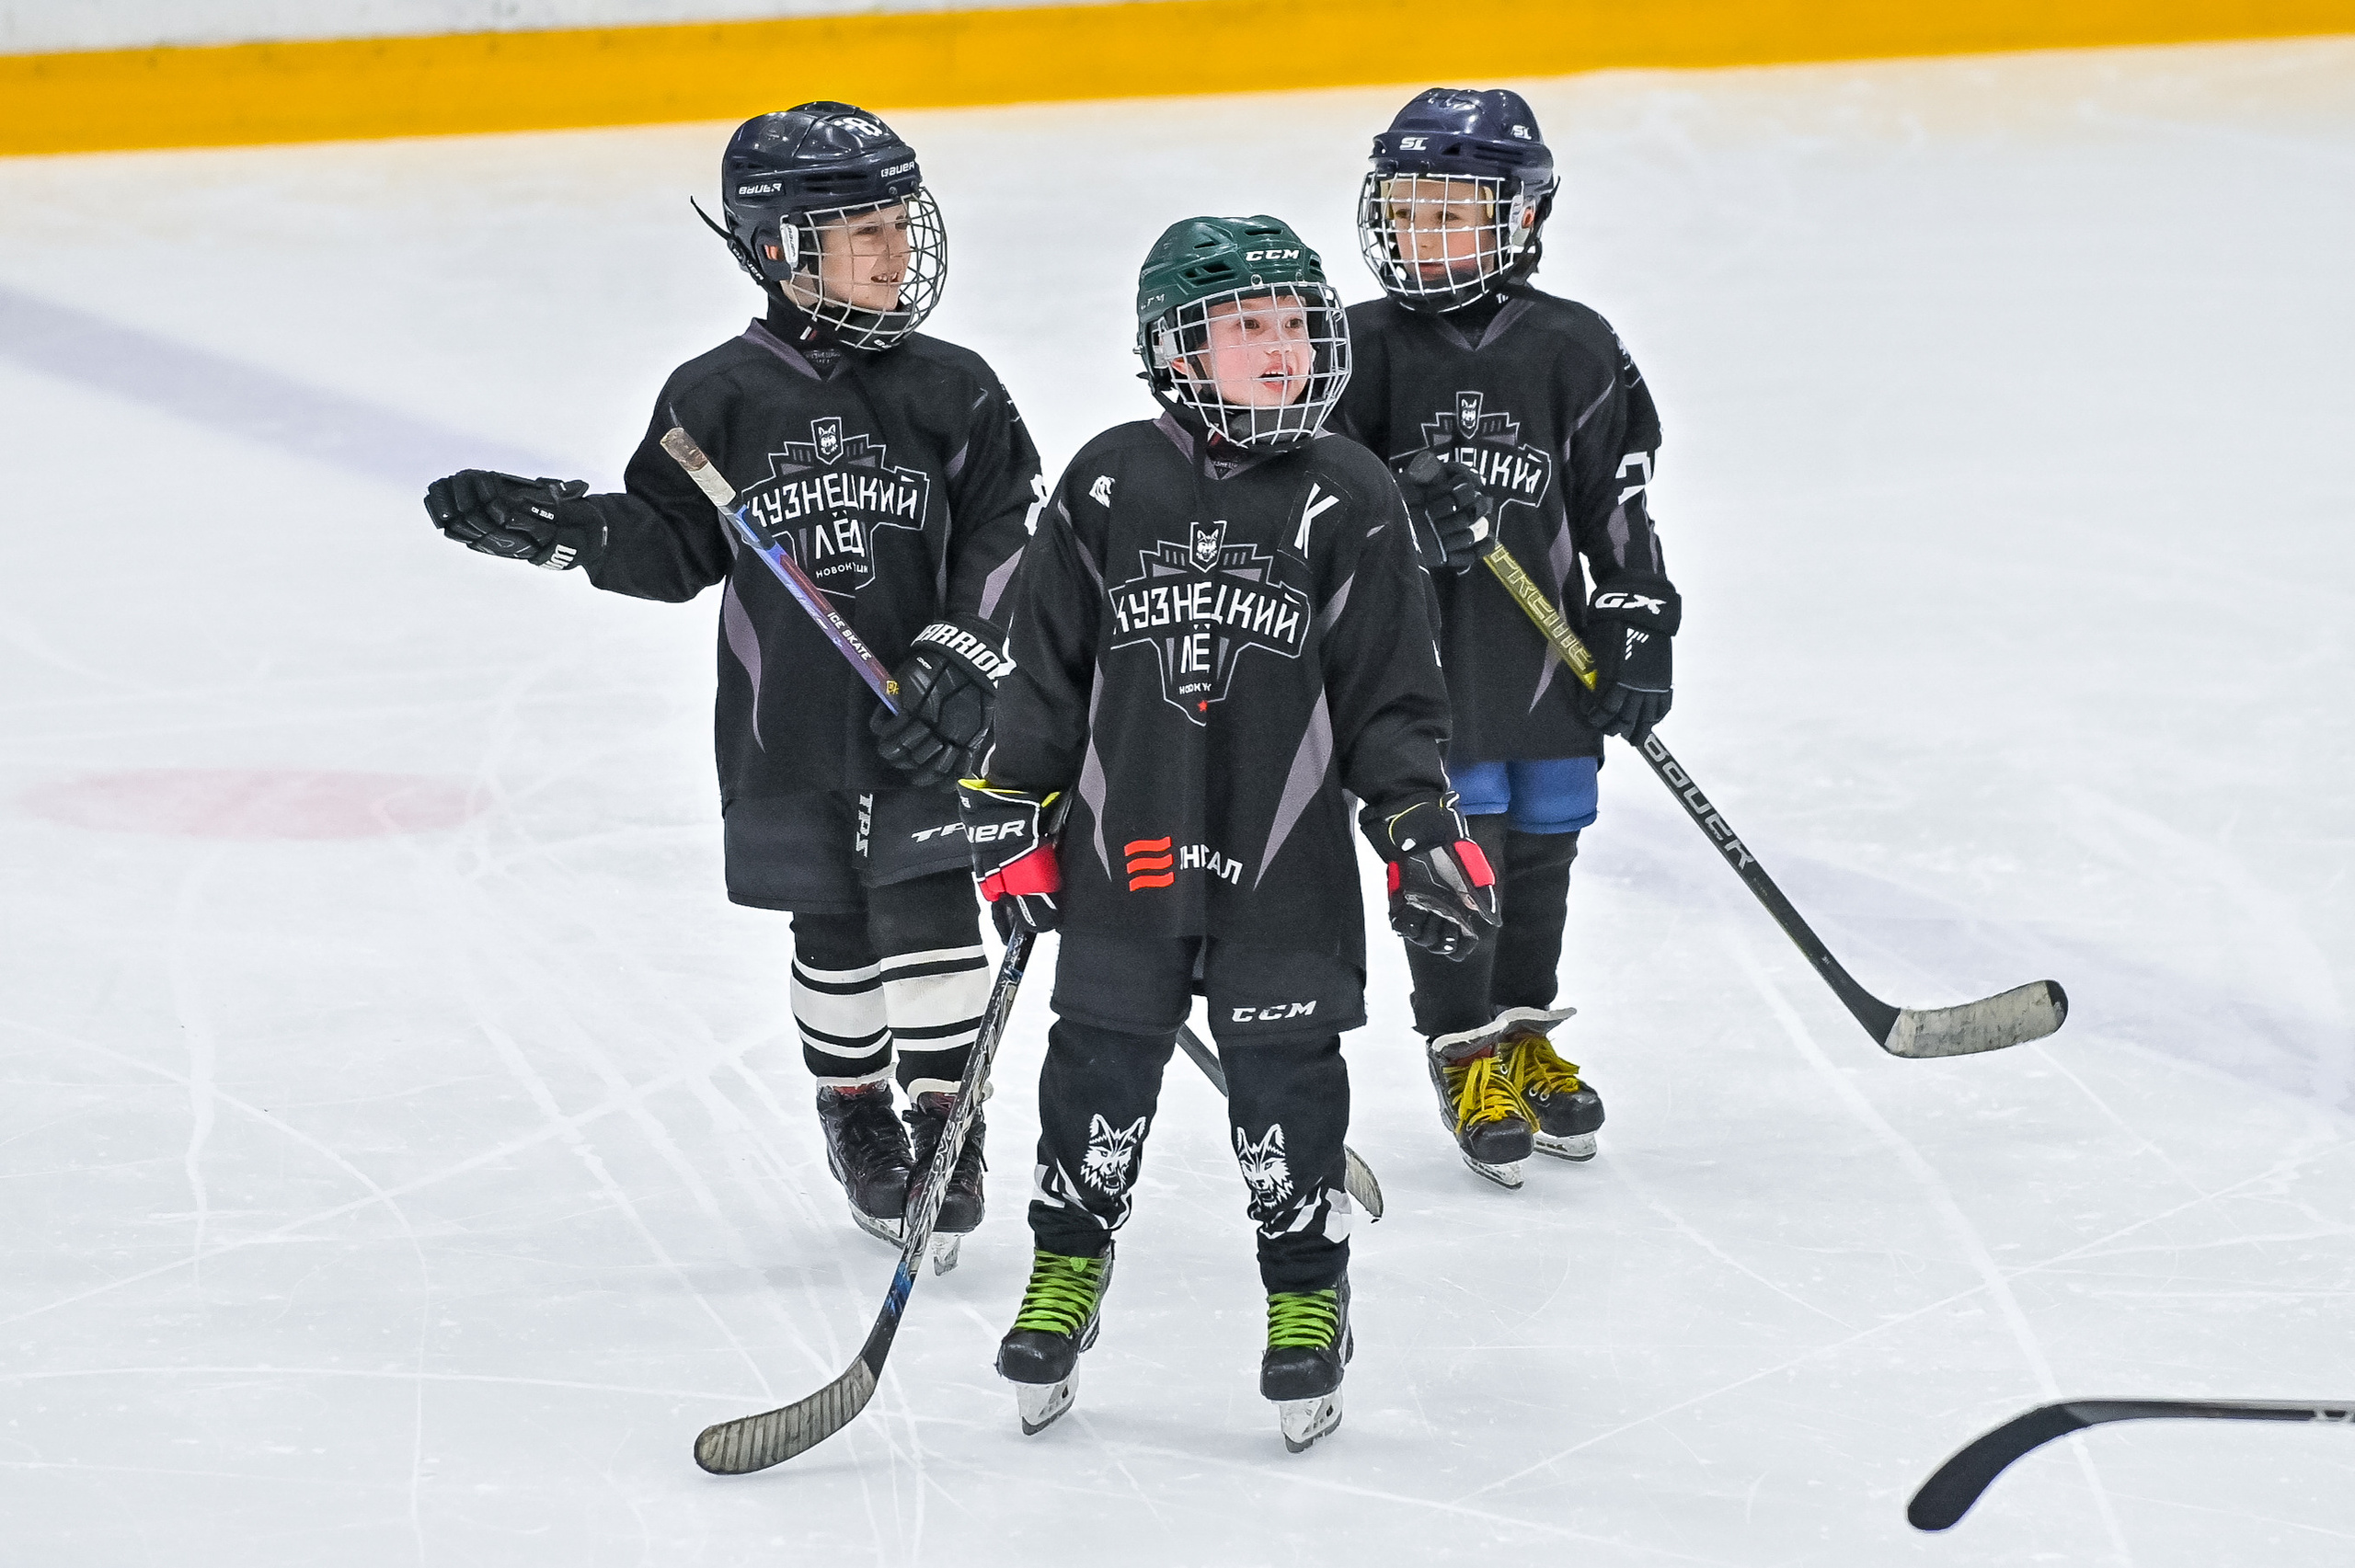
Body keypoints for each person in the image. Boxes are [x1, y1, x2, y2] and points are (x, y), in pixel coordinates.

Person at [421, 103, 1041, 1259]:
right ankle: (857, 1113)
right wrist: (565, 532)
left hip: (934, 726)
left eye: (900, 222)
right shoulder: (715, 397)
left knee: (931, 911)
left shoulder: (954, 387)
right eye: (862, 231)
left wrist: (965, 659)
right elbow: (671, 546)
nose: (896, 251)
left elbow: (1012, 532)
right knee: (832, 923)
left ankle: (950, 1119)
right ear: (778, 249)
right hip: (785, 725)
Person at [958, 215, 1497, 1452]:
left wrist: (1415, 819)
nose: (1284, 347)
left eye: (1297, 321)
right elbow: (1042, 675)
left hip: (1283, 854)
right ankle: (1066, 1267)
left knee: (1286, 1078)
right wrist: (1012, 811)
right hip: (1125, 844)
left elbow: (1391, 692)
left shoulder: (1350, 491)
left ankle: (1307, 1293)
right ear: (1176, 350)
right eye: (1248, 324)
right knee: (1097, 1062)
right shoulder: (1106, 481)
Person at [1336, 88, 1680, 1188]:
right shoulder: (1355, 348)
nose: (1419, 234)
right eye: (1405, 210)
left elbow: (1617, 497)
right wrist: (1393, 512)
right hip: (1418, 668)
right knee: (1456, 847)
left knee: (1543, 839)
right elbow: (1312, 504)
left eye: (1449, 212)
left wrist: (1637, 612)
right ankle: (1461, 1049)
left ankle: (1522, 1028)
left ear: (1520, 217)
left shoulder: (1575, 345)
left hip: (1544, 657)